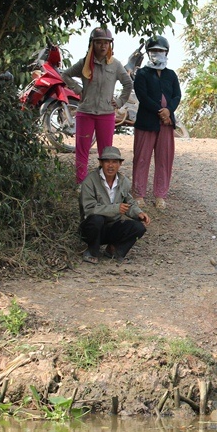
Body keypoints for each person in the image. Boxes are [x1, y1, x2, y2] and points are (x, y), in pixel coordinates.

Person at [63, 27, 133, 184]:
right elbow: (66, 75)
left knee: (106, 153)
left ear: (110, 45)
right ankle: (81, 184)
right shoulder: (84, 63)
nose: (103, 46)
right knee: (82, 150)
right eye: (99, 43)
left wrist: (119, 101)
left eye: (106, 43)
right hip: (85, 113)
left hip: (106, 114)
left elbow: (128, 84)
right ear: (92, 44)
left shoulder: (115, 65)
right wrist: (78, 90)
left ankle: (105, 185)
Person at [132, 35, 181, 210]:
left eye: (160, 50)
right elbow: (142, 96)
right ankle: (138, 194)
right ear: (148, 53)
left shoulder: (171, 74)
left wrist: (169, 110)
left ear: (166, 52)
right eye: (153, 50)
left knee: (164, 160)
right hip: (146, 122)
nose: (157, 53)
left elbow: (177, 95)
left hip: (166, 124)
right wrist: (160, 111)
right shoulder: (142, 74)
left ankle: (160, 195)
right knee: (141, 159)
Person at [78, 146, 150, 264]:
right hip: (91, 229)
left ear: (120, 164)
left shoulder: (123, 181)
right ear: (101, 163)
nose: (110, 166)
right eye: (107, 161)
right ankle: (92, 251)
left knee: (139, 227)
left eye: (114, 162)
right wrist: (115, 208)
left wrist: (138, 213)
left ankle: (114, 250)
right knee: (96, 219)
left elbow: (129, 202)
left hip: (111, 227)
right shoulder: (90, 181)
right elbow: (89, 209)